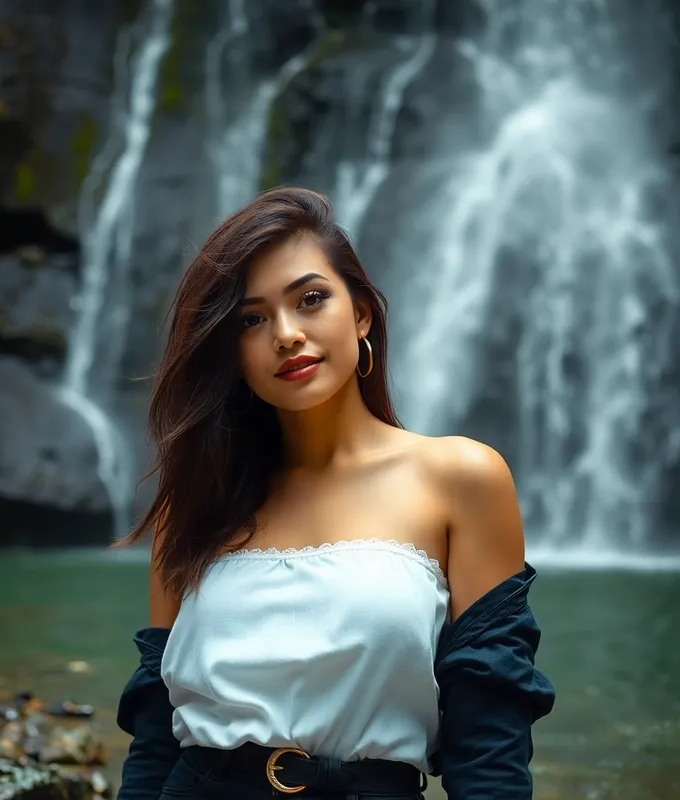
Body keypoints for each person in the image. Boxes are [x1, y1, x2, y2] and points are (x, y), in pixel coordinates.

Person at [114, 187, 555, 800]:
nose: (287, 334)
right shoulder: (196, 503)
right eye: (252, 319)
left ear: (362, 313)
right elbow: (157, 735)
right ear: (230, 350)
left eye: (311, 299)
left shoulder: (461, 478)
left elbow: (489, 742)